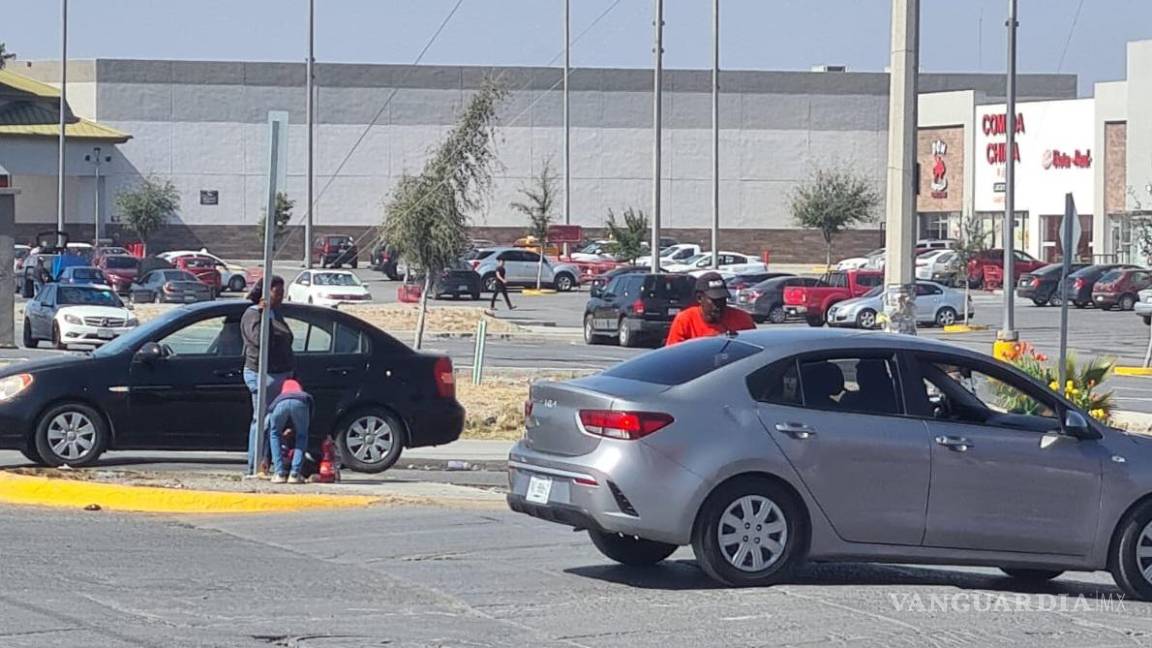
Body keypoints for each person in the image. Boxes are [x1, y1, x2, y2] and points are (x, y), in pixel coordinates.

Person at [241, 276, 295, 476]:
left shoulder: (275, 313)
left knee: (274, 421)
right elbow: (259, 340)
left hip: (280, 374)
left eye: (282, 293)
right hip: (261, 373)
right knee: (261, 420)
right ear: (265, 293)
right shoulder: (253, 314)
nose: (281, 297)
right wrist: (265, 318)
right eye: (277, 292)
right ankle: (254, 465)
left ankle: (267, 462)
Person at [665, 272, 756, 346]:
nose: (719, 305)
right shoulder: (685, 320)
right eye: (714, 300)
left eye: (722, 299)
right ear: (699, 298)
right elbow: (672, 356)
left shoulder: (743, 320)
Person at [266, 378, 313, 484]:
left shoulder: (280, 396)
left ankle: (279, 473)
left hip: (280, 405)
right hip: (300, 404)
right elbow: (310, 411)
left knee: (274, 434)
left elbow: (271, 410)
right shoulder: (302, 394)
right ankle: (295, 474)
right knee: (302, 436)